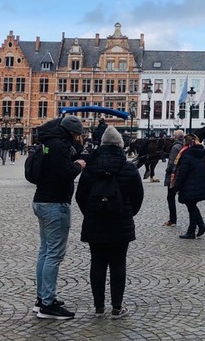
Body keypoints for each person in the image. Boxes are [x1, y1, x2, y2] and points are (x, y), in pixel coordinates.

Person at [75, 126, 143, 318]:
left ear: (102, 144)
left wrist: (91, 213)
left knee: (97, 263)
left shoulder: (91, 168)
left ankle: (98, 307)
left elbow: (80, 196)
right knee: (118, 264)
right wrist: (127, 213)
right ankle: (116, 307)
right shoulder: (128, 167)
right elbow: (138, 197)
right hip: (120, 222)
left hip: (95, 222)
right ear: (120, 145)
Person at [32, 115, 87, 320]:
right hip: (55, 203)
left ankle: (42, 298)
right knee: (54, 254)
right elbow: (64, 172)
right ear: (72, 133)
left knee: (45, 252)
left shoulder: (48, 142)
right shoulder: (59, 145)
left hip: (42, 200)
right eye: (77, 135)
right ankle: (48, 303)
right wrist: (79, 164)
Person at [171, 133, 205, 239]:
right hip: (199, 184)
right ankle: (191, 231)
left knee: (191, 207)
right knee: (192, 206)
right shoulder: (200, 153)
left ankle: (200, 225)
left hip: (189, 186)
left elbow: (182, 173)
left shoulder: (187, 154)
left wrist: (176, 186)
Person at [163, 130, 185, 226]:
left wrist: (167, 170)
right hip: (181, 175)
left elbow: (172, 163)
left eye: (174, 135)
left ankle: (172, 219)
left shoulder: (175, 147)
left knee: (170, 197)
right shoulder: (184, 146)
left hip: (173, 176)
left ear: (176, 137)